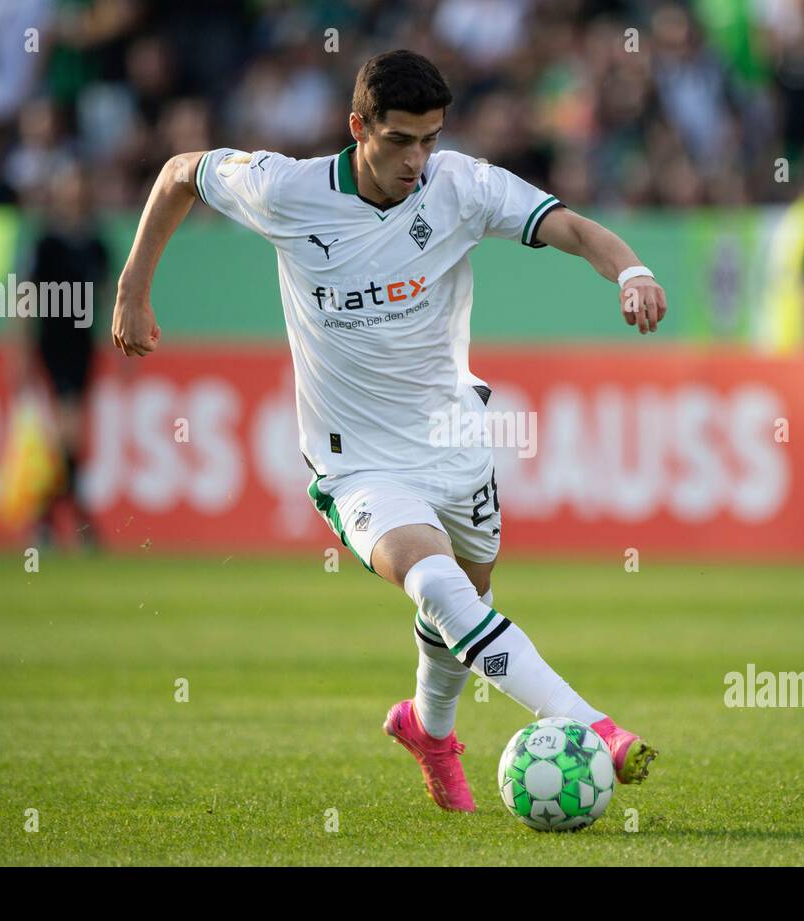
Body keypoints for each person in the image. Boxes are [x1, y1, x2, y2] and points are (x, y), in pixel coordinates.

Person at [111, 50, 666, 813]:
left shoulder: (460, 185)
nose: (417, 160)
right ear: (357, 128)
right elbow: (179, 171)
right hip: (355, 461)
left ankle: (428, 730)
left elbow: (568, 227)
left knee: (463, 601)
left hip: (454, 442)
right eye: (400, 140)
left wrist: (631, 272)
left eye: (430, 139)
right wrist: (135, 283)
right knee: (435, 584)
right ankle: (589, 724)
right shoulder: (286, 190)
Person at [14, 160, 109, 549]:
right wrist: (20, 351)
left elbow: (108, 297)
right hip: (53, 344)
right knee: (67, 432)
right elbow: (23, 297)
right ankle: (80, 520)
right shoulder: (46, 243)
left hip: (82, 346)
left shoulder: (96, 244)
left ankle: (45, 521)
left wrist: (119, 347)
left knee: (66, 436)